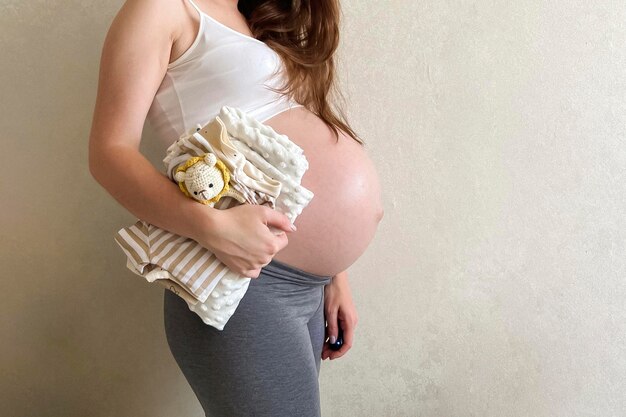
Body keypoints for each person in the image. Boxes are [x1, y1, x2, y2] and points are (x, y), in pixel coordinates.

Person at [88, 0, 384, 415]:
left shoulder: (258, 17)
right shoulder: (162, 8)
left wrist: (336, 276)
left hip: (305, 288)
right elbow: (109, 153)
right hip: (243, 279)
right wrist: (212, 227)